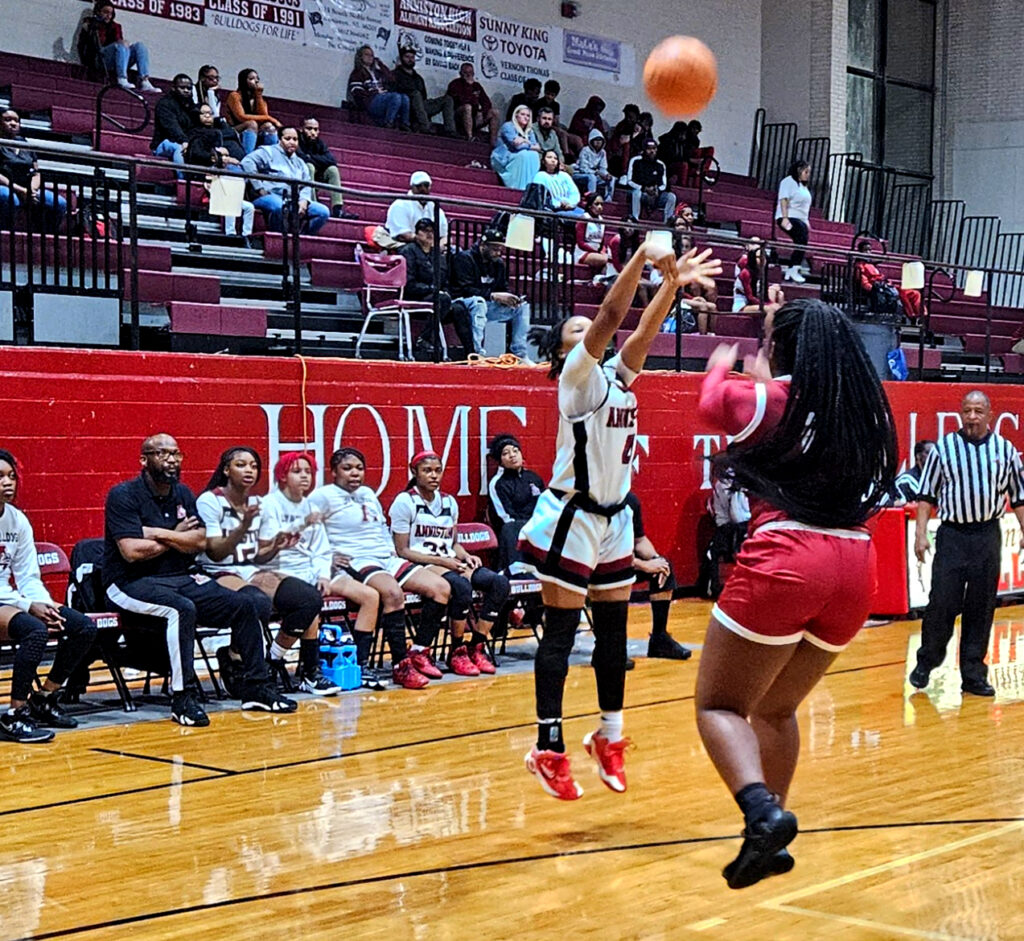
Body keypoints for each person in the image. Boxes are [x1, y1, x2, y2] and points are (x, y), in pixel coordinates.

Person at [694, 298, 897, 888]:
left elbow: (712, 403)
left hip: (789, 556)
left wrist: (724, 362)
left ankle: (760, 810)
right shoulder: (857, 410)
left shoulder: (770, 399)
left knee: (719, 706)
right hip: (856, 565)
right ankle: (766, 838)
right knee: (776, 709)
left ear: (780, 349)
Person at [519, 239, 722, 800]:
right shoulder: (575, 379)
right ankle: (548, 746)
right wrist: (640, 259)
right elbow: (611, 315)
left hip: (614, 518)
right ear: (564, 349)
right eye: (576, 328)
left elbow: (641, 336)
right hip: (572, 516)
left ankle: (608, 737)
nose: (589, 329)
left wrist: (671, 285)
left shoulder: (615, 377)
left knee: (614, 637)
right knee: (561, 633)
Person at [103, 434, 294, 726]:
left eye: (176, 454)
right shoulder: (123, 495)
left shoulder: (182, 493)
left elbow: (201, 541)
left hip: (180, 577)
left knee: (246, 605)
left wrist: (160, 533)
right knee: (181, 609)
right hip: (130, 582)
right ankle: (183, 697)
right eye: (162, 453)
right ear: (144, 460)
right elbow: (131, 552)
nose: (171, 460)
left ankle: (256, 687)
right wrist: (179, 536)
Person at [196, 446, 346, 697]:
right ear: (226, 470)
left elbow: (260, 554)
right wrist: (243, 525)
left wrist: (275, 545)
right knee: (255, 602)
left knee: (309, 598)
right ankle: (235, 658)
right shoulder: (210, 500)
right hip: (217, 570)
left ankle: (287, 664)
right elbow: (215, 553)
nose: (249, 470)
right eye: (241, 465)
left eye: (254, 466)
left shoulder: (258, 503)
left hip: (251, 568)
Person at [909, 391, 1024, 697]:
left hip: (987, 535)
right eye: (967, 411)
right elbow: (926, 496)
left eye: (978, 411)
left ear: (989, 415)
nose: (972, 417)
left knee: (981, 607)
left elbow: (1019, 496)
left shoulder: (1005, 450)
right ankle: (927, 661)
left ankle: (973, 675)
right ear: (961, 413)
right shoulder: (943, 449)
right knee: (942, 603)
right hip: (952, 536)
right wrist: (920, 534)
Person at [309, 447, 453, 690]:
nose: (355, 473)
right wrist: (326, 555)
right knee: (393, 593)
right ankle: (400, 665)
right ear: (333, 472)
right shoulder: (322, 496)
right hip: (357, 558)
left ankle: (419, 651)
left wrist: (391, 551)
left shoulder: (367, 493)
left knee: (441, 588)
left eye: (359, 468)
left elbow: (381, 527)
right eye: (347, 468)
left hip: (385, 556)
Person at [257, 451, 380, 694]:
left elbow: (322, 549)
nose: (304, 476)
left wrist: (323, 574)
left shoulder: (310, 506)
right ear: (282, 476)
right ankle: (308, 671)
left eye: (308, 472)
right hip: (279, 571)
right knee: (310, 602)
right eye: (297, 471)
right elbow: (265, 549)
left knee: (370, 596)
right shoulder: (269, 505)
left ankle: (359, 665)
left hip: (312, 571)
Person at [0, 449, 98, 743]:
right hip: (8, 601)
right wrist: (27, 606)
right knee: (34, 631)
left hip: (9, 598)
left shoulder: (17, 520)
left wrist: (42, 603)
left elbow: (28, 576)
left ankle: (43, 698)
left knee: (82, 627)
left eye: (11, 476)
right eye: (0, 477)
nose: (8, 482)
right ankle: (14, 715)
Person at [390, 452, 508, 676]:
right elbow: (402, 550)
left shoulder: (449, 502)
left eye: (437, 471)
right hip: (420, 564)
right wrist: (443, 561)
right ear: (414, 472)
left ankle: (476, 646)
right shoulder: (405, 502)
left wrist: (465, 556)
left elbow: (453, 543)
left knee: (499, 584)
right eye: (427, 471)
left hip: (448, 561)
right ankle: (456, 650)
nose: (433, 476)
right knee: (461, 587)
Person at [624, 492, 691, 660]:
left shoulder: (630, 501)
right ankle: (609, 645)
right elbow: (604, 552)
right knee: (616, 576)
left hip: (626, 561)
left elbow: (640, 540)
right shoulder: (600, 501)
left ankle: (659, 638)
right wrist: (643, 565)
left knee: (663, 568)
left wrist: (656, 560)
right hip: (600, 566)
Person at [450, 228, 532, 361]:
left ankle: (520, 353)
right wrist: (493, 296)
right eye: (494, 249)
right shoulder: (464, 258)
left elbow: (502, 288)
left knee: (522, 307)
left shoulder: (498, 264)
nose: (498, 253)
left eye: (500, 249)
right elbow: (464, 289)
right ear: (483, 245)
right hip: (463, 303)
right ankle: (476, 353)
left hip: (487, 303)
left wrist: (509, 299)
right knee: (479, 302)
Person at [399, 218, 473, 358]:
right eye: (425, 231)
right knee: (442, 299)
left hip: (437, 301)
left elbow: (446, 281)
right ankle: (424, 338)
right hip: (414, 297)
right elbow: (408, 283)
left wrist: (444, 292)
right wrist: (432, 289)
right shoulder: (407, 251)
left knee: (459, 309)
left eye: (433, 231)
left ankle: (471, 353)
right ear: (417, 233)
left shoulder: (438, 255)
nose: (429, 234)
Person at [186, 103, 254, 246]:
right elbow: (197, 155)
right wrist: (219, 157)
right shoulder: (194, 134)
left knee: (249, 207)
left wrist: (223, 159)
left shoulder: (217, 132)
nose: (208, 116)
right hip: (205, 176)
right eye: (203, 113)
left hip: (223, 178)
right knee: (231, 200)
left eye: (210, 113)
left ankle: (246, 235)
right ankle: (230, 233)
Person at [239, 128, 330, 236]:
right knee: (279, 206)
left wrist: (304, 200)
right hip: (270, 196)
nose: (292, 142)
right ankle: (277, 238)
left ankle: (301, 237)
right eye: (287, 138)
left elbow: (306, 183)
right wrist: (259, 187)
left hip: (294, 200)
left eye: (295, 139)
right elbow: (247, 162)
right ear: (279, 139)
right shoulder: (268, 152)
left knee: (323, 212)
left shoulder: (300, 162)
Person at [487, 434, 545, 575]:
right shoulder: (498, 483)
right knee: (511, 528)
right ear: (500, 461)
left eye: (515, 451)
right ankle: (515, 572)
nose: (512, 455)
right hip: (515, 528)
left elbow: (545, 506)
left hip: (537, 525)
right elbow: (505, 517)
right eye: (506, 453)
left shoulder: (533, 478)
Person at [0, 110, 67, 228]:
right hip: (5, 186)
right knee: (9, 198)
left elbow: (36, 172)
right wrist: (21, 190)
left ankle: (45, 235)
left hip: (28, 188)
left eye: (16, 121)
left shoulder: (25, 144)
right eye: (7, 120)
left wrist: (31, 190)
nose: (13, 123)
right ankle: (5, 233)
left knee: (59, 203)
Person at [79, 2, 158, 93]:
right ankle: (122, 78)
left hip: (116, 58)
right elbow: (84, 45)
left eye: (111, 13)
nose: (108, 16)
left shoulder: (115, 26)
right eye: (105, 12)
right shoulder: (90, 24)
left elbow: (120, 44)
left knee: (140, 46)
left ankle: (145, 80)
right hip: (100, 59)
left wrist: (124, 44)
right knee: (119, 46)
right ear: (98, 12)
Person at [298, 117, 357, 220]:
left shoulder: (319, 143)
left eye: (316, 129)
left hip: (317, 175)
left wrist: (311, 157)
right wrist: (317, 160)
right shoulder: (296, 140)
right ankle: (313, 205)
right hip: (300, 176)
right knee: (309, 166)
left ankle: (337, 209)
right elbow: (302, 158)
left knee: (332, 170)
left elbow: (332, 161)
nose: (313, 132)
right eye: (309, 128)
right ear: (301, 129)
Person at [376, 171, 449, 251]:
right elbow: (402, 235)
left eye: (426, 185)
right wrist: (425, 242)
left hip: (430, 245)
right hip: (406, 244)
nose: (423, 189)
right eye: (419, 186)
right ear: (412, 187)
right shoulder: (400, 204)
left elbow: (445, 236)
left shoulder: (435, 207)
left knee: (455, 251)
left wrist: (437, 246)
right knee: (412, 249)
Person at [392, 46, 456, 137]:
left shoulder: (418, 78)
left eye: (412, 57)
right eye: (407, 57)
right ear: (401, 58)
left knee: (447, 99)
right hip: (407, 107)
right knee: (416, 94)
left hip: (420, 106)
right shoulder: (395, 74)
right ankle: (425, 126)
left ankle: (450, 131)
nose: (410, 60)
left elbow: (424, 97)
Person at [854, 240, 923, 320]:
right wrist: (877, 289)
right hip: (879, 289)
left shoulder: (871, 264)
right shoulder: (860, 266)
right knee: (901, 294)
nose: (868, 252)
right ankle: (912, 316)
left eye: (870, 250)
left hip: (886, 286)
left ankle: (921, 316)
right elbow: (864, 283)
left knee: (915, 293)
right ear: (860, 252)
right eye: (865, 250)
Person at [347, 45, 410, 130]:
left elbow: (391, 79)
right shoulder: (357, 73)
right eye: (367, 54)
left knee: (405, 98)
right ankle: (389, 123)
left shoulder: (378, 72)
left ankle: (405, 124)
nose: (370, 57)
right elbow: (357, 93)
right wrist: (374, 93)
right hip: (370, 101)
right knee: (396, 97)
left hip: (383, 98)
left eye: (372, 55)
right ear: (360, 57)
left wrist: (381, 64)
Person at [225, 69, 281, 154]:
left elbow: (263, 115)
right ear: (244, 81)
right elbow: (241, 117)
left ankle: (271, 156)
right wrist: (270, 118)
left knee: (269, 126)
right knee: (252, 124)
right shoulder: (234, 96)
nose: (256, 81)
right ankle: (247, 155)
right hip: (235, 129)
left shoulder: (258, 98)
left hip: (255, 130)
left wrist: (258, 95)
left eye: (257, 78)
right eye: (252, 79)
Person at [151, 74, 198, 174]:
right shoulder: (164, 104)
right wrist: (184, 141)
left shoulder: (193, 107)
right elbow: (171, 127)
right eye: (182, 88)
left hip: (188, 143)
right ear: (173, 88)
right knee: (179, 148)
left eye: (189, 88)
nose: (186, 90)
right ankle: (181, 180)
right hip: (164, 143)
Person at [776, 159, 812, 283]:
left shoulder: (803, 187)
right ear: (798, 170)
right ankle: (794, 268)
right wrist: (785, 218)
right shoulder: (788, 181)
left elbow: (804, 207)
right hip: (788, 217)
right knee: (801, 239)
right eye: (806, 172)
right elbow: (784, 199)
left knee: (801, 241)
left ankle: (792, 269)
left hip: (800, 219)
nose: (808, 175)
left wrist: (806, 221)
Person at [446, 62, 499, 146]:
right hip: (459, 117)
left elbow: (486, 102)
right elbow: (462, 101)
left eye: (471, 73)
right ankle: (470, 137)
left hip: (474, 117)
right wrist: (468, 86)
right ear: (460, 73)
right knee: (467, 107)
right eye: (466, 73)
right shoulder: (455, 84)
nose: (469, 75)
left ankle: (493, 142)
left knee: (494, 112)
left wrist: (482, 111)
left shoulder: (477, 86)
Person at [624, 139, 676, 223]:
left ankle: (668, 222)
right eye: (649, 148)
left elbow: (663, 185)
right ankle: (635, 219)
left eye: (654, 148)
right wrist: (644, 188)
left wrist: (656, 190)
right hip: (640, 192)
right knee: (636, 193)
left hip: (655, 194)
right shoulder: (635, 161)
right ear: (644, 149)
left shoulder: (660, 164)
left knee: (671, 197)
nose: (652, 151)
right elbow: (629, 181)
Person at [491, 105, 541, 190]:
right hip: (503, 158)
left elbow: (538, 147)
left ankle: (528, 187)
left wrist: (523, 141)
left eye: (528, 116)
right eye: (522, 114)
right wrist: (528, 143)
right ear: (516, 115)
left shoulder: (529, 131)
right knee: (524, 154)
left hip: (519, 155)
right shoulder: (508, 126)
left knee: (534, 155)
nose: (526, 117)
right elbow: (517, 146)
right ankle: (518, 186)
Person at [733, 237, 784, 319]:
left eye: (764, 257)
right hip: (743, 304)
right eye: (759, 257)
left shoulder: (762, 271)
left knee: (780, 295)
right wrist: (768, 305)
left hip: (757, 300)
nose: (762, 260)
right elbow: (750, 297)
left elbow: (764, 293)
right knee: (771, 309)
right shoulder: (745, 273)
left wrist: (771, 303)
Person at [574, 193, 618, 282]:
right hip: (584, 252)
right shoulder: (584, 218)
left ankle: (602, 280)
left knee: (612, 258)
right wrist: (596, 252)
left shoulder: (601, 220)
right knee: (607, 260)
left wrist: (603, 251)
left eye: (601, 204)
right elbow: (580, 243)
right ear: (590, 205)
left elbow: (602, 242)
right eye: (597, 204)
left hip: (597, 251)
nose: (600, 207)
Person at [532, 149, 583, 218]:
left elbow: (574, 193)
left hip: (570, 207)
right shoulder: (540, 176)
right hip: (552, 210)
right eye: (549, 157)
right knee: (579, 217)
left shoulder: (564, 175)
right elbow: (541, 198)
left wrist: (570, 204)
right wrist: (559, 204)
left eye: (555, 158)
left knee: (587, 216)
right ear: (543, 161)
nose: (553, 160)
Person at [573, 128, 615, 201]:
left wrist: (606, 175)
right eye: (596, 140)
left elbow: (603, 167)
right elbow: (583, 168)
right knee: (592, 177)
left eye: (600, 140)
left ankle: (608, 198)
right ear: (591, 141)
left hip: (595, 175)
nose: (598, 142)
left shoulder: (603, 152)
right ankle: (592, 199)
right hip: (580, 174)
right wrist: (597, 173)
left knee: (612, 178)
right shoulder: (585, 150)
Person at [892, 440, 936, 504]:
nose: (934, 456)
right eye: (929, 453)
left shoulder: (938, 479)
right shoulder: (905, 481)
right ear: (918, 456)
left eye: (935, 453)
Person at [607, 104, 643, 178]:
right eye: (626, 116)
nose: (628, 119)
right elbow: (618, 139)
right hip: (619, 153)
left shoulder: (640, 128)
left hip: (636, 152)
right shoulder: (622, 125)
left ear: (636, 117)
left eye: (631, 117)